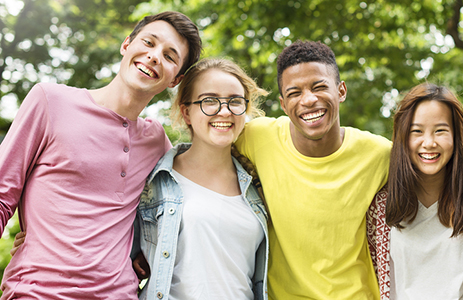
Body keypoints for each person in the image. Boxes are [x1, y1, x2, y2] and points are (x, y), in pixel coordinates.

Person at [0, 11, 201, 299]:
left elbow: (180, 210)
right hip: (37, 292)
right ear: (126, 44)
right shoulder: (50, 101)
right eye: (148, 42)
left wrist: (142, 251)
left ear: (175, 79)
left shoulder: (157, 142)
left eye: (170, 56)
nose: (155, 56)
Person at [235, 40, 392, 299]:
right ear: (284, 104)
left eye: (319, 87)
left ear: (341, 91)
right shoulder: (256, 136)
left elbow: (437, 178)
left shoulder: (380, 153)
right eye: (295, 93)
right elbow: (200, 150)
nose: (308, 100)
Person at [136, 58, 269, 300]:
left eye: (235, 101)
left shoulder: (257, 185)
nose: (225, 110)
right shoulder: (156, 180)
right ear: (186, 112)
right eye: (209, 101)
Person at [386, 83, 463, 299]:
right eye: (416, 131)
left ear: (456, 137)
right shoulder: (381, 206)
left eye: (440, 131)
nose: (429, 143)